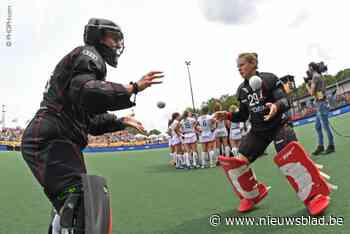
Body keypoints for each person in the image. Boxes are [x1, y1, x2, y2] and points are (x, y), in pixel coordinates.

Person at [21, 18, 163, 233]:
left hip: (57, 136)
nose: (117, 44)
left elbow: (89, 120)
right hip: (53, 136)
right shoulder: (88, 55)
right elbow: (87, 90)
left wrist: (120, 121)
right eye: (113, 38)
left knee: (73, 203)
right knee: (80, 200)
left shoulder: (86, 64)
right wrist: (131, 88)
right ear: (99, 37)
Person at [214, 52, 332, 215]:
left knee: (290, 157)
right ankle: (252, 195)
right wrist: (227, 115)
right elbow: (242, 115)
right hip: (258, 132)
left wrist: (276, 106)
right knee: (236, 164)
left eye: (241, 65)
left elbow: (285, 101)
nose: (238, 68)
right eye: (237, 66)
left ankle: (315, 196)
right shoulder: (241, 90)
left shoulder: (269, 78)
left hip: (279, 125)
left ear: (253, 64)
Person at [305, 63, 335, 155]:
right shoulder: (319, 76)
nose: (308, 71)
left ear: (311, 68)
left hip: (321, 104)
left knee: (325, 126)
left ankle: (331, 146)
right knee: (318, 127)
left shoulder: (315, 77)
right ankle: (321, 146)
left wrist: (307, 85)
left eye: (308, 68)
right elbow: (318, 91)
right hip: (320, 103)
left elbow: (311, 92)